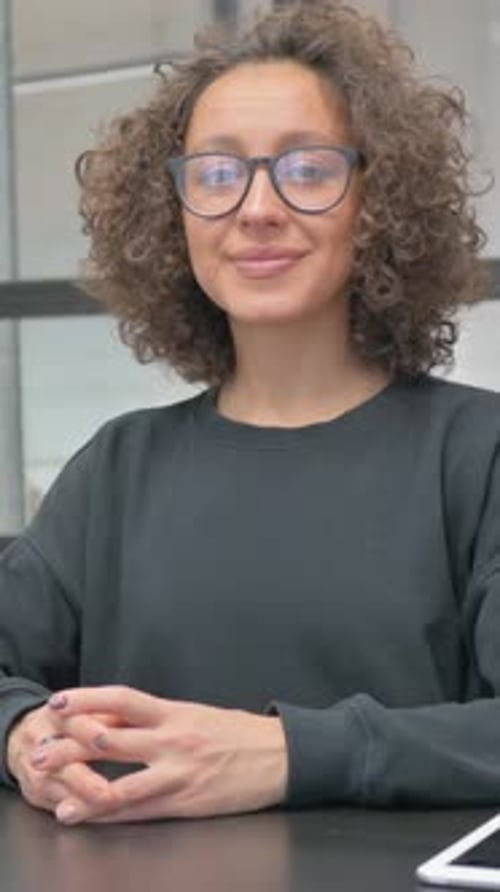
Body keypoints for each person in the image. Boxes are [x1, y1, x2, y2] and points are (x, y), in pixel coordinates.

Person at [1, 0, 499, 826]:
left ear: (377, 205)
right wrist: (22, 735)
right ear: (176, 216)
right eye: (217, 173)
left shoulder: (476, 455)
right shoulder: (118, 468)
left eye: (307, 169)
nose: (256, 208)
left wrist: (285, 753)